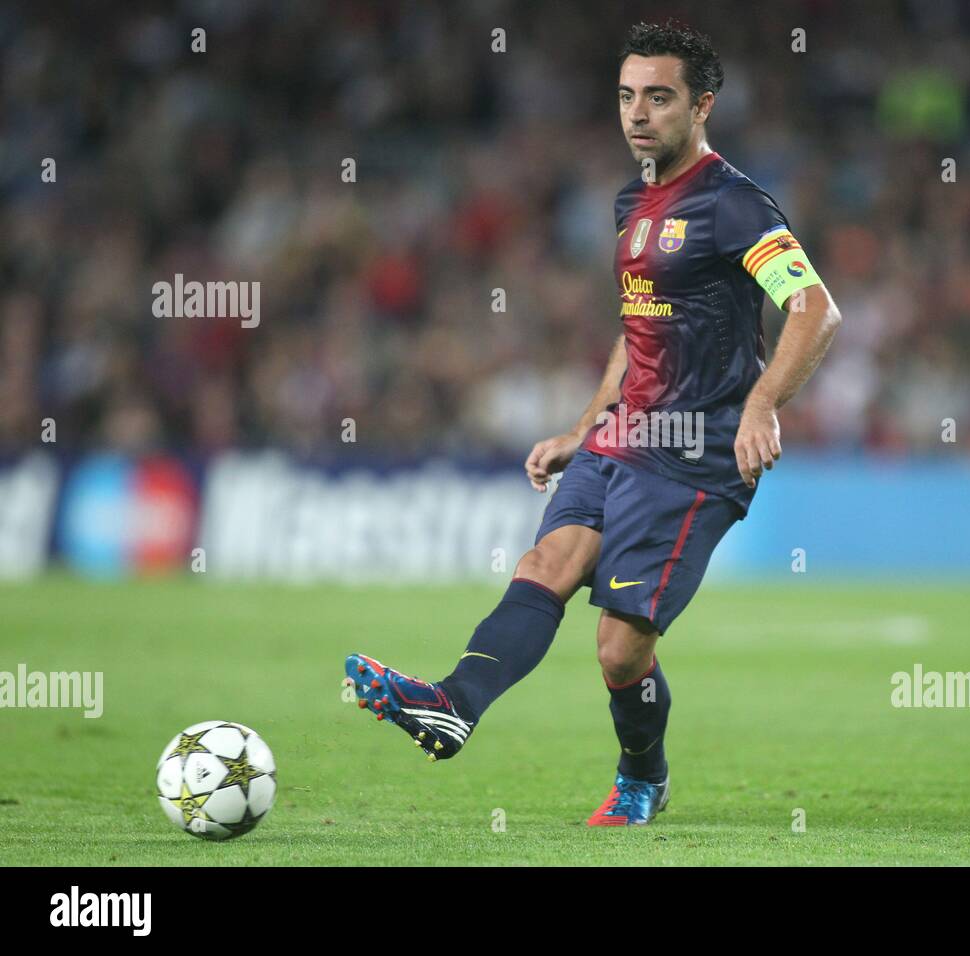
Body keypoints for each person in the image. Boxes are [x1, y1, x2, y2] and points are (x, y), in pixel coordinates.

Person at [343, 19, 841, 825]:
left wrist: (760, 405)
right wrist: (586, 422)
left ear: (702, 105)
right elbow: (638, 324)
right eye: (625, 96)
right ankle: (453, 703)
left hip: (694, 450)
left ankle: (643, 774)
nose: (637, 113)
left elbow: (816, 309)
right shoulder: (632, 200)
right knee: (548, 558)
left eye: (658, 97)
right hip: (625, 433)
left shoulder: (733, 204)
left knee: (619, 651)